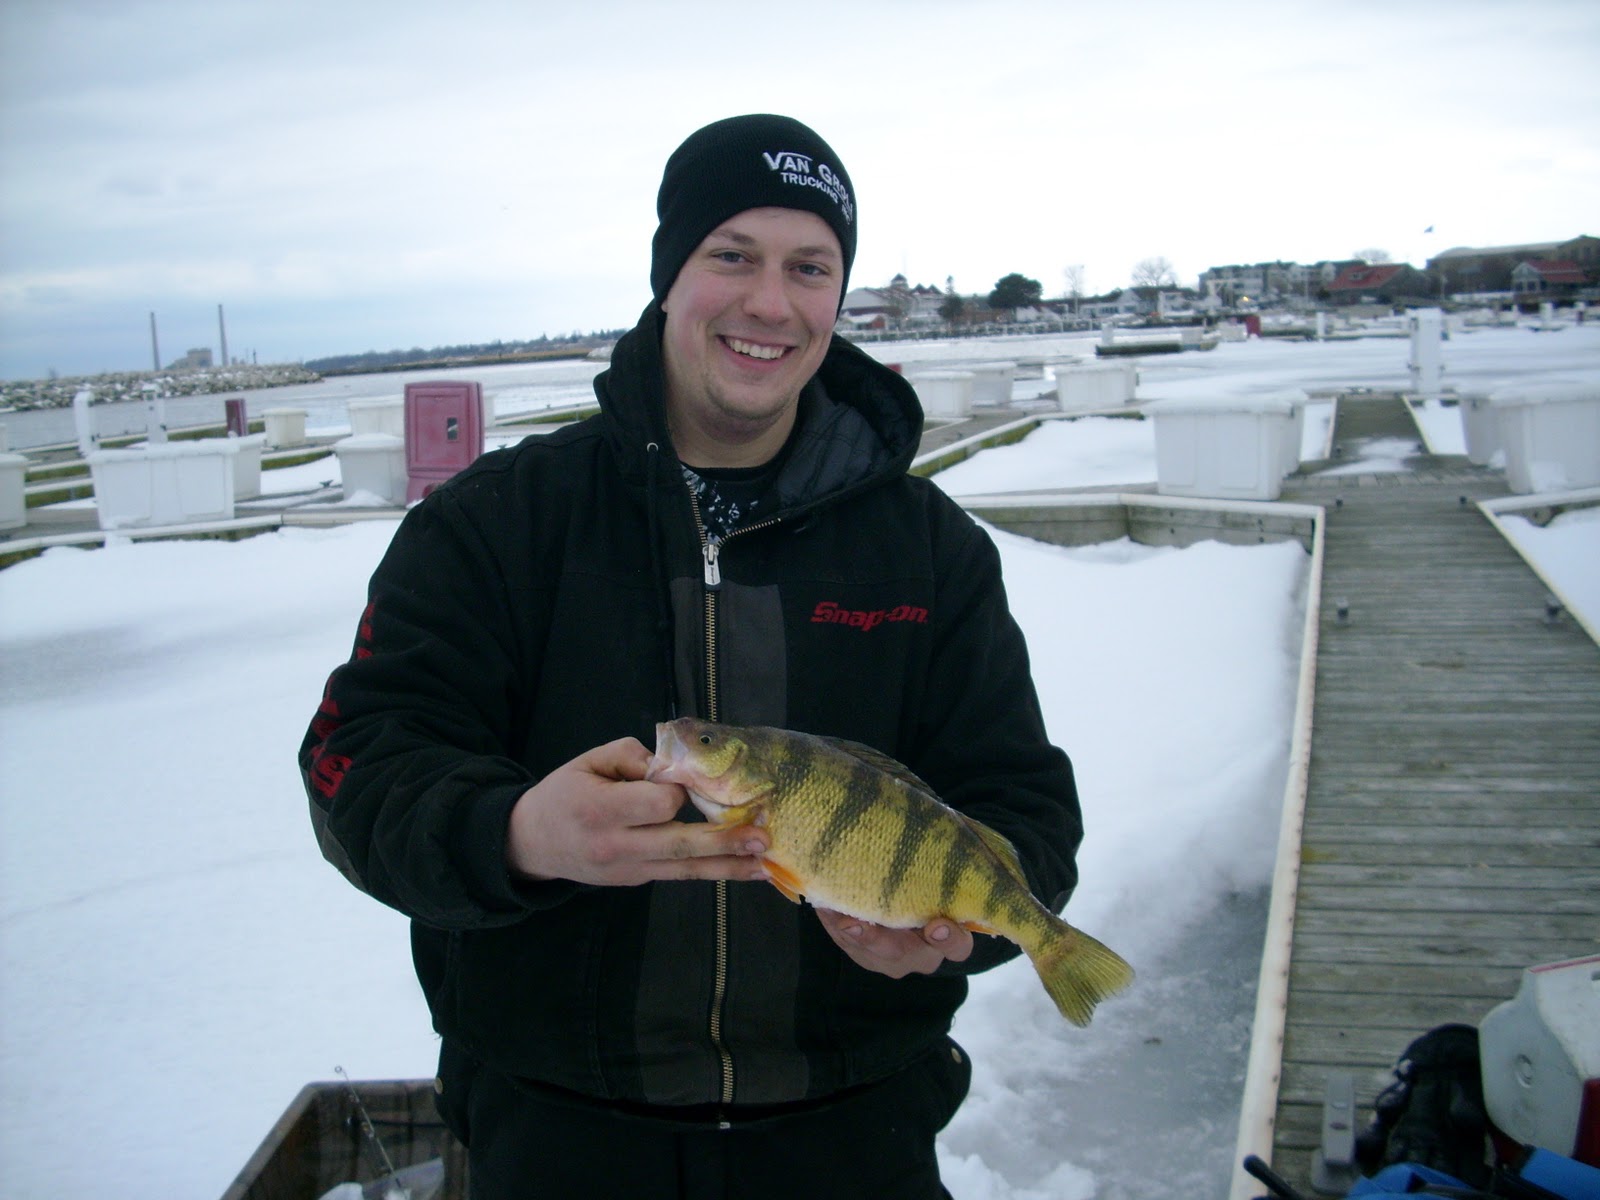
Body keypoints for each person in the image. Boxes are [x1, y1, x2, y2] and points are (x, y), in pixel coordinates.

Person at [300, 113, 1083, 1199]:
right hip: (557, 1147)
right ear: (669, 274)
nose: (769, 303)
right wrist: (517, 834)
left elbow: (1025, 811)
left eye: (809, 267)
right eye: (732, 256)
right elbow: (356, 768)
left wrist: (957, 934)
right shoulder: (496, 524)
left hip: (859, 1142)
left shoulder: (930, 551)